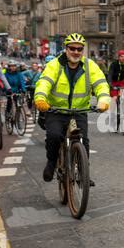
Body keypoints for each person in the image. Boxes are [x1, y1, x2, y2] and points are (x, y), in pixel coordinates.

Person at [34, 32, 110, 182]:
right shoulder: (54, 65)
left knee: (84, 141)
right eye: (72, 48)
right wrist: (40, 98)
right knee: (54, 136)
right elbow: (44, 82)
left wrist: (103, 100)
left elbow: (101, 84)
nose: (76, 52)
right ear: (66, 49)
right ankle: (51, 162)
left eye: (79, 49)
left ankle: (83, 173)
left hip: (79, 111)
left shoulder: (90, 66)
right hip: (56, 110)